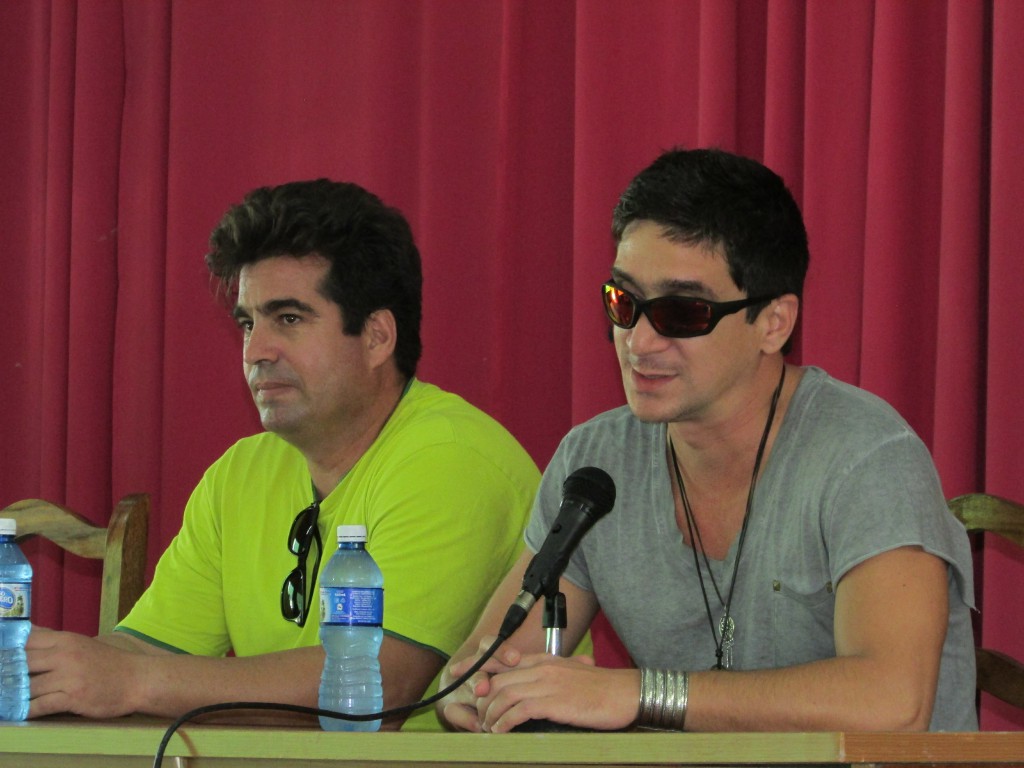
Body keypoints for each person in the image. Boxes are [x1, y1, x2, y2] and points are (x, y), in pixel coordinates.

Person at [438, 148, 977, 733]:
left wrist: (641, 694)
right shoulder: (595, 465)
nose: (638, 343)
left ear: (773, 323)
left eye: (682, 312)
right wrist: (477, 688)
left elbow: (892, 703)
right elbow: (488, 661)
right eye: (624, 302)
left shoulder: (865, 457)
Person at [26, 179, 540, 730]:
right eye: (248, 323)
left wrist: (127, 683)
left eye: (288, 319)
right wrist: (36, 673)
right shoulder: (240, 474)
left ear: (376, 337)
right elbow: (145, 653)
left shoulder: (451, 459)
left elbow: (376, 690)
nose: (255, 352)